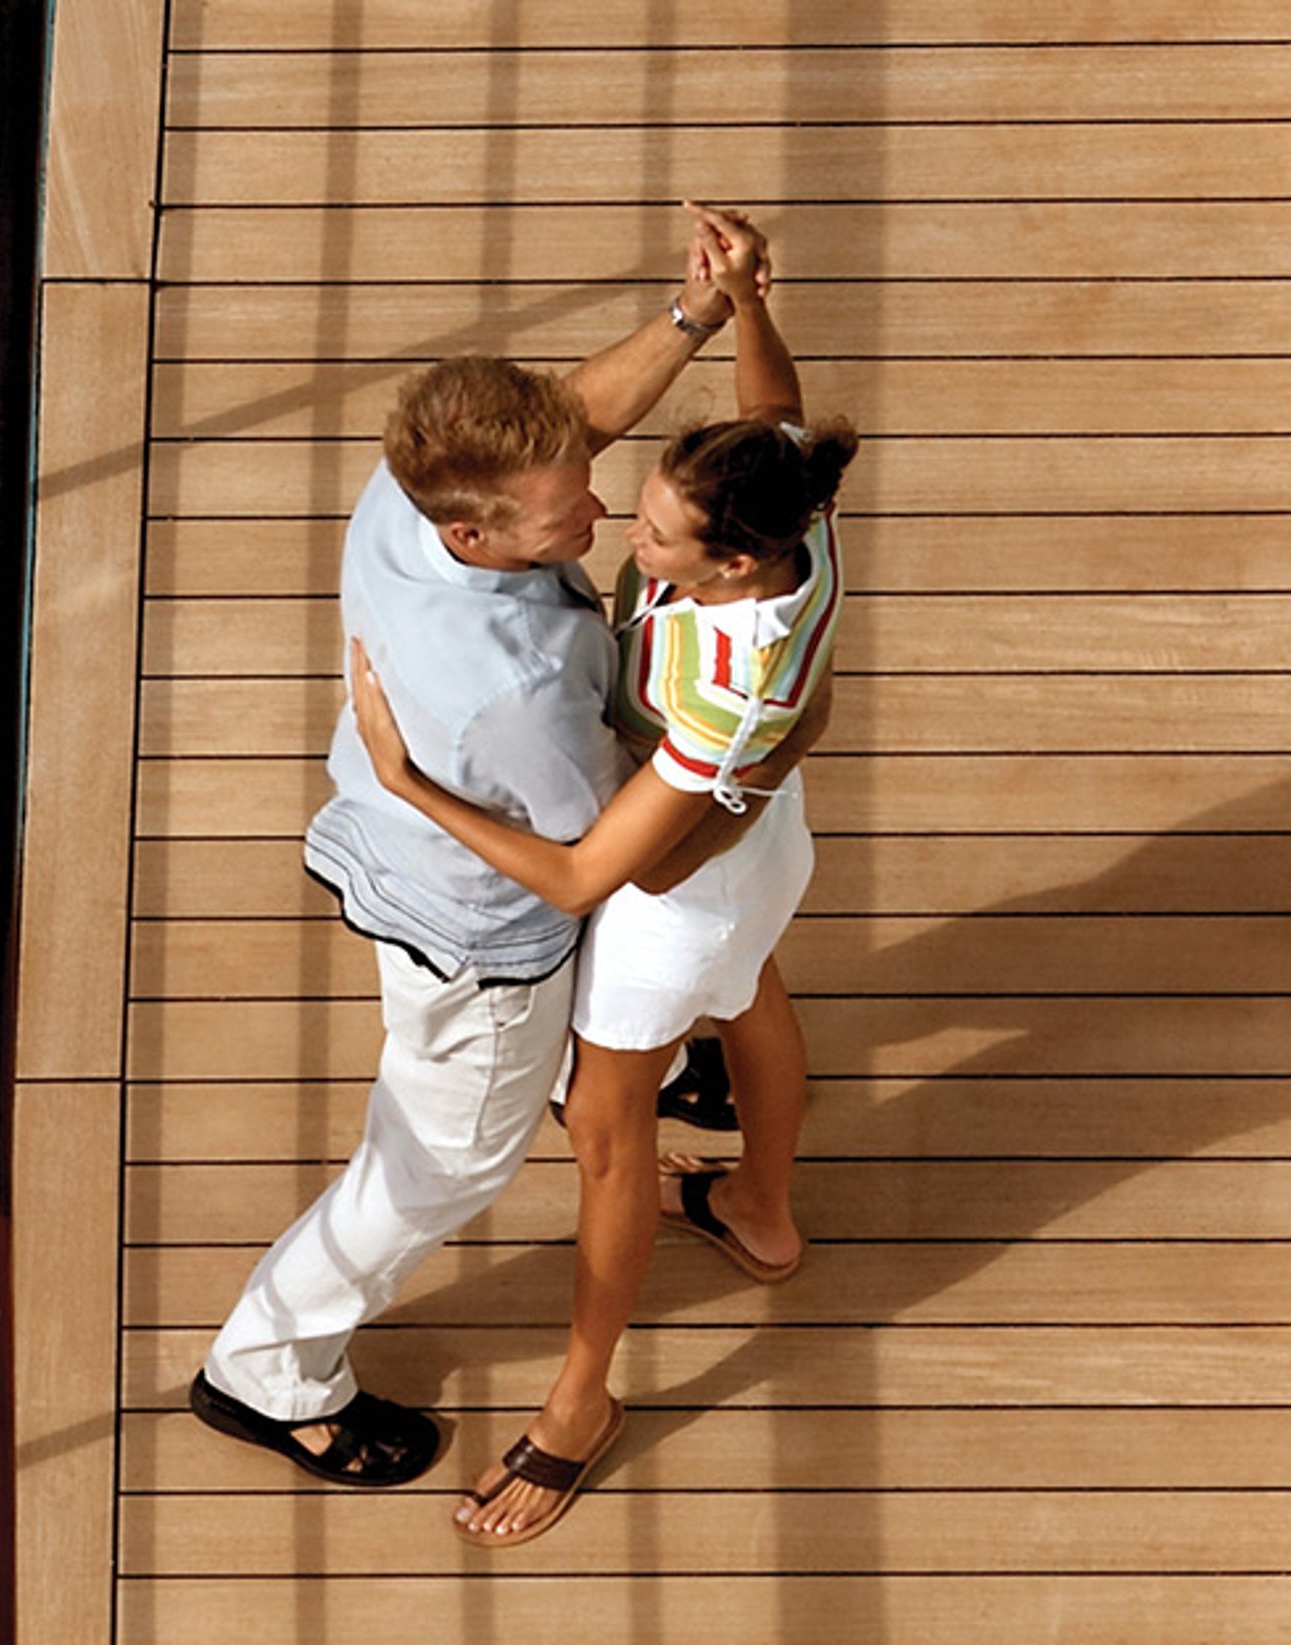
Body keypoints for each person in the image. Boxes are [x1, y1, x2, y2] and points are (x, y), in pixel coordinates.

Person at [185, 204, 772, 1492]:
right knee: (442, 1164)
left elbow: (574, 420)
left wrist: (699, 317)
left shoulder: (412, 491)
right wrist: (749, 787)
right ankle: (266, 1371)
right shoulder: (516, 694)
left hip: (392, 839)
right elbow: (598, 864)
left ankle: (672, 1063)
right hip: (483, 938)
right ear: (480, 535)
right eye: (571, 511)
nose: (603, 506)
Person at [348, 228, 854, 1546]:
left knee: (609, 1135)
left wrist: (412, 786)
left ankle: (582, 1396)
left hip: (673, 896)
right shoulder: (782, 504)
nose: (624, 528)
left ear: (731, 565)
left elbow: (587, 868)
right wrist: (739, 302)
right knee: (752, 995)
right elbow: (775, 413)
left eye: (656, 531)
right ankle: (761, 1215)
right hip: (762, 846)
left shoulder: (722, 677)